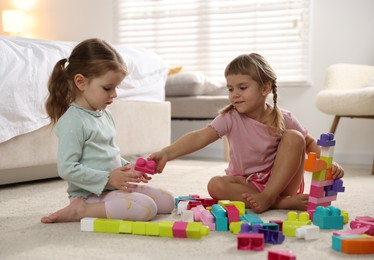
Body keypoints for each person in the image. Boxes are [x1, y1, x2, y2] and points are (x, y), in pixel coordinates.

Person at [148, 53, 344, 213]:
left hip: (281, 182)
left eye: (242, 87)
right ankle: (278, 203)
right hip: (245, 185)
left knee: (295, 137)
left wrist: (329, 163)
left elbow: (309, 144)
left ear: (265, 88)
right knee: (215, 185)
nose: (235, 94)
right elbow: (199, 137)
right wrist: (167, 153)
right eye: (230, 88)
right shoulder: (230, 117)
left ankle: (270, 197)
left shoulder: (284, 117)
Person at [41, 39, 174, 223]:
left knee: (168, 202)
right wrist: (107, 178)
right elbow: (67, 168)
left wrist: (130, 167)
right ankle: (80, 210)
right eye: (107, 88)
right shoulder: (73, 122)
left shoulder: (105, 115)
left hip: (112, 187)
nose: (114, 94)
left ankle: (108, 202)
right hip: (89, 194)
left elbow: (108, 154)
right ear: (81, 82)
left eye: (116, 87)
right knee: (146, 208)